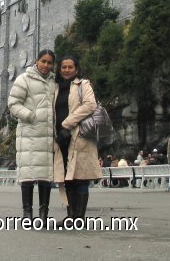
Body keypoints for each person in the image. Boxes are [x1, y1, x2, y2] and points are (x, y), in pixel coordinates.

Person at [53, 55, 103, 225]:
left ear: (76, 68)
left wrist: (67, 124)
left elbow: (90, 105)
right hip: (61, 138)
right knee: (67, 176)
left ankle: (79, 217)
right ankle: (71, 215)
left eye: (70, 67)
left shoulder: (83, 84)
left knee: (80, 176)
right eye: (63, 67)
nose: (66, 70)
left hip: (79, 136)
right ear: (59, 69)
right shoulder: (55, 87)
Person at [8, 49, 56, 221]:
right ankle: (27, 212)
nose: (46, 65)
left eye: (50, 63)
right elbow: (13, 103)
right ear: (36, 61)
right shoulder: (24, 79)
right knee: (27, 175)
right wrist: (30, 115)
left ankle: (43, 213)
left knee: (45, 176)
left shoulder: (54, 81)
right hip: (29, 133)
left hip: (48, 134)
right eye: (43, 61)